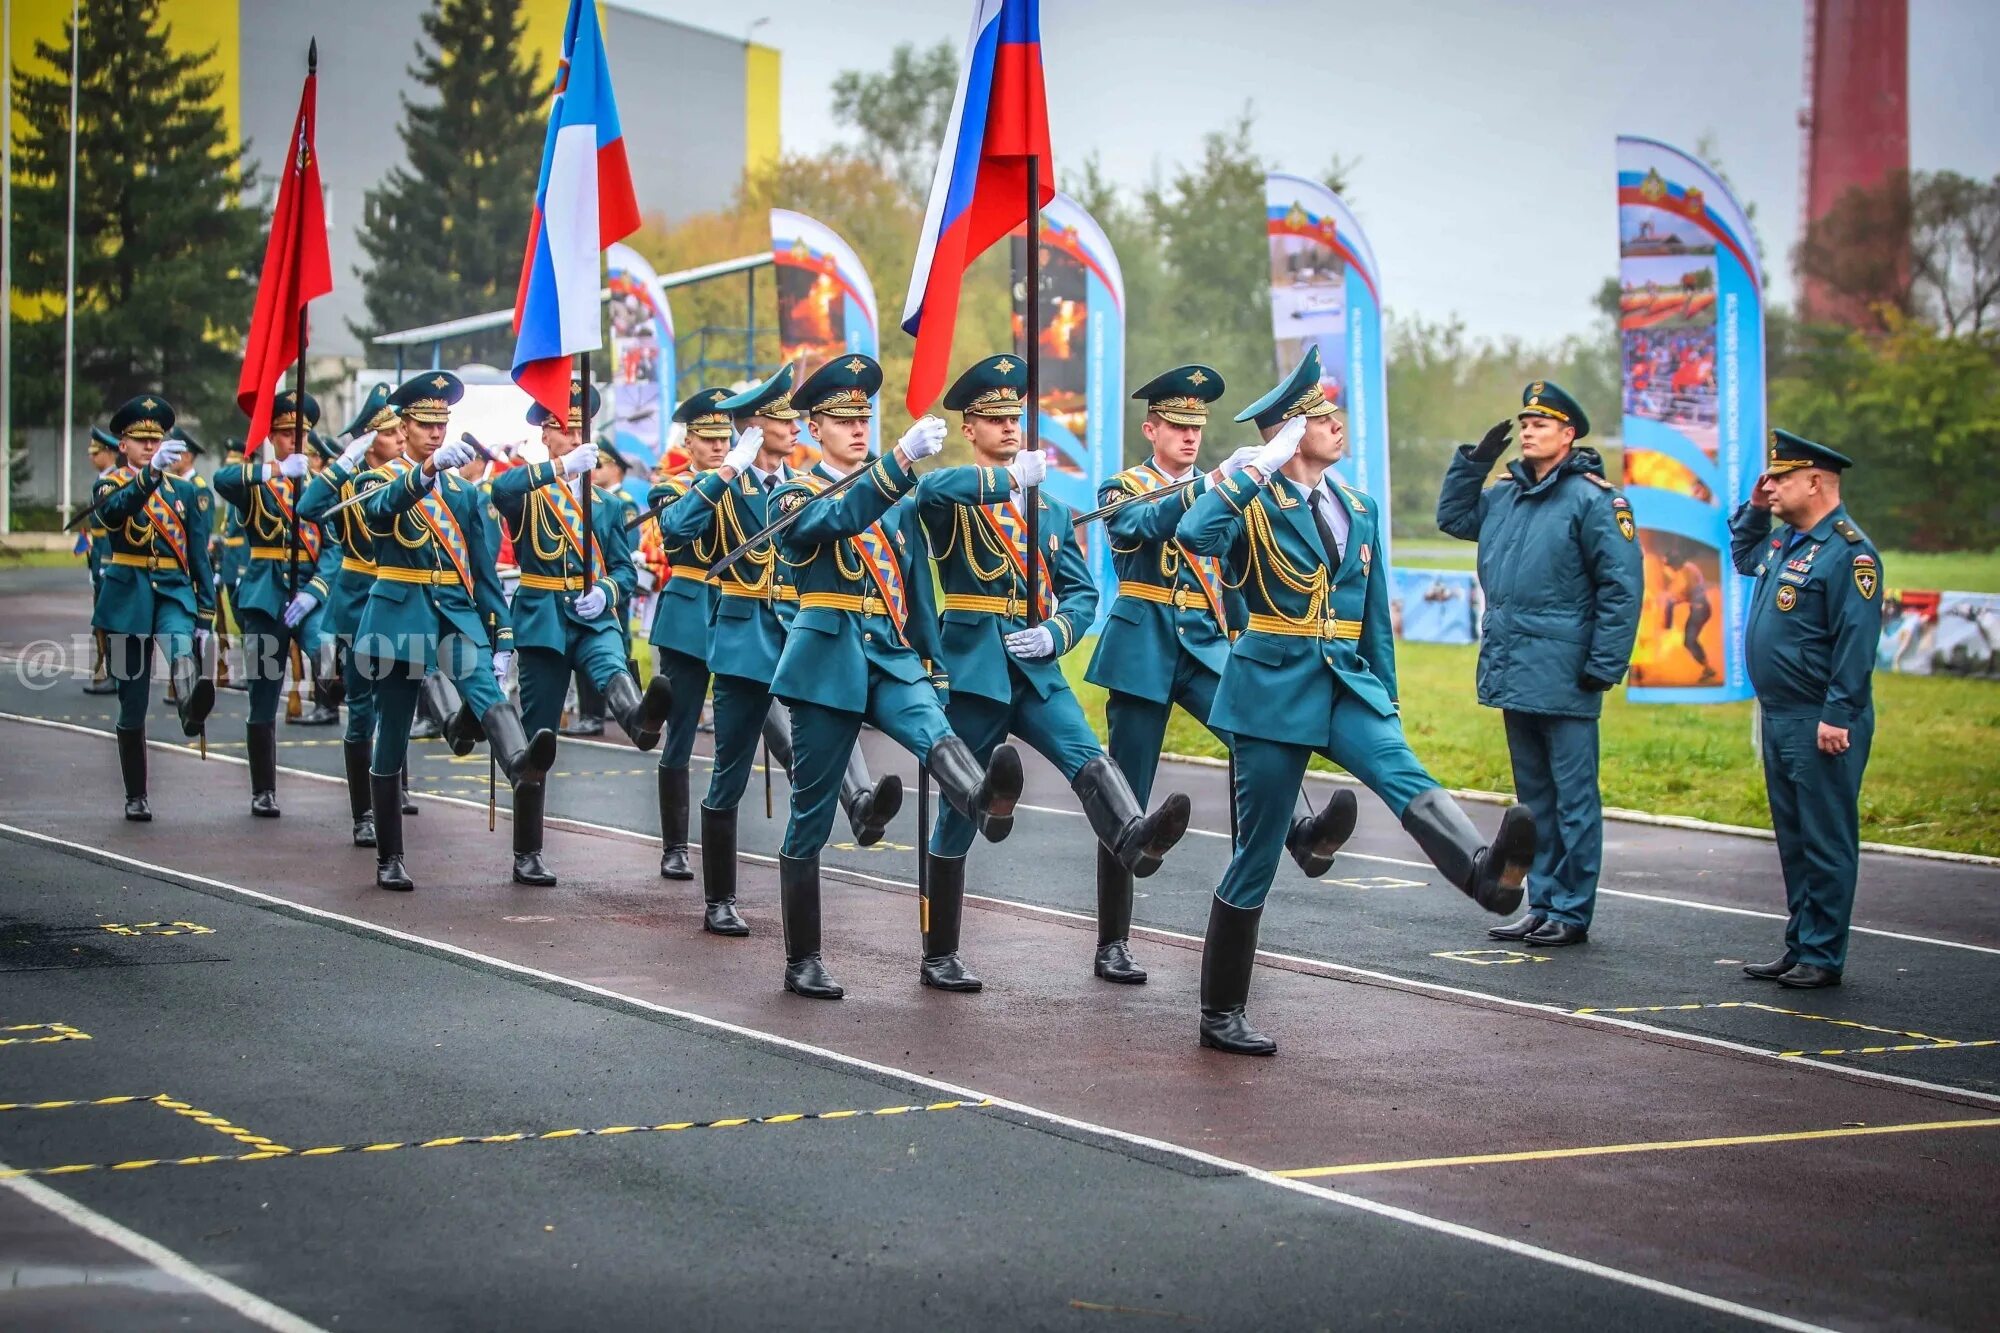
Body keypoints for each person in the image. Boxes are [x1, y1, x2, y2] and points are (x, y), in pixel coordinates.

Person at [1176, 347, 1533, 1055]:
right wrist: (1258, 466)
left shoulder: (1360, 507)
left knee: (1403, 769)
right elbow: (1194, 534)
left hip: (1344, 677)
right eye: (1319, 416)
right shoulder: (1253, 499)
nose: (1336, 423)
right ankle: (1221, 1012)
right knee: (1257, 853)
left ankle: (1485, 873)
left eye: (1334, 412)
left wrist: (1387, 699)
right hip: (1271, 687)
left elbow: (1374, 620)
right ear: (1286, 432)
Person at [915, 354, 1192, 991]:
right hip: (976, 667)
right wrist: (1007, 482)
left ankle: (1134, 834)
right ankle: (940, 954)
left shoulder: (1054, 510)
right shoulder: (959, 496)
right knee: (964, 803)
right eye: (995, 419)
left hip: (1035, 668)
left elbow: (1081, 593)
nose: (1011, 427)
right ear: (969, 428)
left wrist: (1058, 632)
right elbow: (930, 492)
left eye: (1016, 417)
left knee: (1089, 756)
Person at [1083, 366, 1358, 983]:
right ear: (1150, 429)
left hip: (1206, 644)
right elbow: (1140, 525)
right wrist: (1212, 482)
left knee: (1253, 742)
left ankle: (1298, 835)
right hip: (1142, 645)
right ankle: (1112, 941)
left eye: (1197, 428)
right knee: (1128, 794)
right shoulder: (1121, 486)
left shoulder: (1225, 488)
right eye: (1176, 427)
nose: (1188, 437)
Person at [766, 353, 1023, 997]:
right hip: (827, 657)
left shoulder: (894, 496)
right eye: (841, 420)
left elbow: (916, 587)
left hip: (891, 651)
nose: (858, 429)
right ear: (815, 430)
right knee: (812, 814)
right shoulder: (794, 494)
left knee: (938, 736)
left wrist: (933, 662)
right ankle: (803, 960)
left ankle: (982, 797)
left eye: (864, 419)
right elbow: (835, 520)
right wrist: (899, 464)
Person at [1435, 380, 1642, 948]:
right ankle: (1543, 901)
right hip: (1514, 665)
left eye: (1542, 424)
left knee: (1574, 801)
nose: (1528, 431)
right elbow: (1454, 519)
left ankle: (1572, 911)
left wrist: (1603, 666)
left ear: (1569, 435)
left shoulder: (1595, 500)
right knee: (1535, 802)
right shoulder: (1505, 494)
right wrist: (1473, 463)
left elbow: (1621, 589)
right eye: (1524, 423)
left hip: (1567, 670)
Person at [355, 372, 554, 892]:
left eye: (442, 424)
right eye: (425, 425)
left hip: (454, 613)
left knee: (488, 694)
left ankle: (519, 765)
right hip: (399, 612)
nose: (435, 434)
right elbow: (379, 514)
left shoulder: (464, 494)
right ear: (404, 426)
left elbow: (484, 573)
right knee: (392, 729)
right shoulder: (375, 480)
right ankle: (390, 856)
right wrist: (421, 476)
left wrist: (503, 637)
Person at [489, 381, 673, 886]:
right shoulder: (528, 491)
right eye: (563, 428)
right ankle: (527, 851)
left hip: (590, 614)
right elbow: (499, 491)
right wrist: (561, 471)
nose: (572, 437)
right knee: (539, 738)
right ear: (545, 435)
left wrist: (609, 593)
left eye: (579, 429)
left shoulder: (607, 505)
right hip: (543, 616)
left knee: (611, 664)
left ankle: (638, 720)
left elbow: (624, 569)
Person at [1729, 430, 1882, 989]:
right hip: (1781, 714)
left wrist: (1838, 715)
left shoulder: (1850, 553)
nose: (1772, 487)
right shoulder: (1785, 542)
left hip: (1821, 718)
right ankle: (1801, 945)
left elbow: (1856, 644)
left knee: (1825, 838)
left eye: (1782, 478)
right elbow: (1744, 554)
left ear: (1815, 482)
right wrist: (1752, 508)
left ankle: (1823, 953)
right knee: (1795, 840)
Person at [213, 390, 341, 816]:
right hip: (265, 598)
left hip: (308, 594)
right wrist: (273, 470)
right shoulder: (257, 484)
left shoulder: (321, 489)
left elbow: (335, 550)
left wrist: (317, 590)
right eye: (286, 435)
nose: (295, 443)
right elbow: (223, 480)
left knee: (327, 649)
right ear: (272, 437)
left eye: (301, 435)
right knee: (263, 696)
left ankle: (334, 695)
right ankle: (263, 790)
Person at [90, 395, 217, 818]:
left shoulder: (185, 492)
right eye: (140, 440)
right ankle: (136, 794)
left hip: (173, 589)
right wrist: (150, 475)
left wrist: (206, 611)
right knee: (132, 702)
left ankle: (189, 706)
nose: (149, 446)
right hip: (128, 594)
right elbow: (115, 513)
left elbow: (198, 554)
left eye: (156, 439)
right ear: (121, 444)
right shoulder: (109, 484)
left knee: (181, 643)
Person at [299, 383, 406, 847]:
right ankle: (363, 812)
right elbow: (307, 508)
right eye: (389, 432)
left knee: (400, 700)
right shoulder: (346, 479)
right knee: (361, 708)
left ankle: (392, 786)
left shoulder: (412, 475)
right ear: (367, 438)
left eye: (402, 428)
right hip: (358, 599)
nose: (401, 437)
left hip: (401, 598)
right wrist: (343, 462)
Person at [649, 389, 733, 884]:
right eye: (709, 438)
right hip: (687, 614)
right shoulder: (669, 488)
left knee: (756, 720)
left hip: (735, 612)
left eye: (725, 437)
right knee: (680, 730)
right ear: (689, 440)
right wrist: (721, 482)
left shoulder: (743, 485)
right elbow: (679, 533)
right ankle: (675, 846)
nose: (719, 446)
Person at [81, 427, 123, 696]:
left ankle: (117, 674)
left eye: (96, 453)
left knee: (112, 619)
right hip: (99, 556)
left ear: (108, 453)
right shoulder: (103, 480)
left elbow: (112, 527)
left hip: (109, 556)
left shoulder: (114, 482)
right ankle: (107, 670)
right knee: (102, 618)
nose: (92, 458)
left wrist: (107, 562)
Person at [1659, 548, 1716, 683]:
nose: (1671, 569)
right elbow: (1686, 591)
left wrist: (1675, 599)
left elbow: (1688, 588)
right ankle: (1708, 668)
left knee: (1689, 641)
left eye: (1670, 566)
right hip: (1698, 609)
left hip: (1700, 609)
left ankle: (1709, 669)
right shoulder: (1686, 569)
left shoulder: (1687, 569)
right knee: (1689, 641)